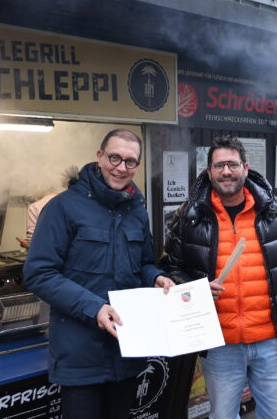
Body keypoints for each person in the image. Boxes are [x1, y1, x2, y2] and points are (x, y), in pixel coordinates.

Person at [23, 129, 175, 419]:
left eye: (130, 162)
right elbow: (39, 273)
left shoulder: (137, 213)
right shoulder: (63, 208)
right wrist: (95, 308)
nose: (121, 167)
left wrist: (155, 277)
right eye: (114, 157)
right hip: (81, 356)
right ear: (99, 157)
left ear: (137, 166)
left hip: (126, 351)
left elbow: (143, 264)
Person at [159, 135, 277, 419]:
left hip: (271, 341)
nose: (226, 172)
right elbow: (169, 269)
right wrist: (195, 288)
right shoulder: (190, 216)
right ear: (208, 171)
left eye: (232, 164)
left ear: (245, 167)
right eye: (219, 166)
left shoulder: (274, 213)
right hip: (220, 343)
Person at [16, 166, 79, 249]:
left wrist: (26, 243)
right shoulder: (76, 202)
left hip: (51, 259)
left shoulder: (36, 207)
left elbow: (35, 245)